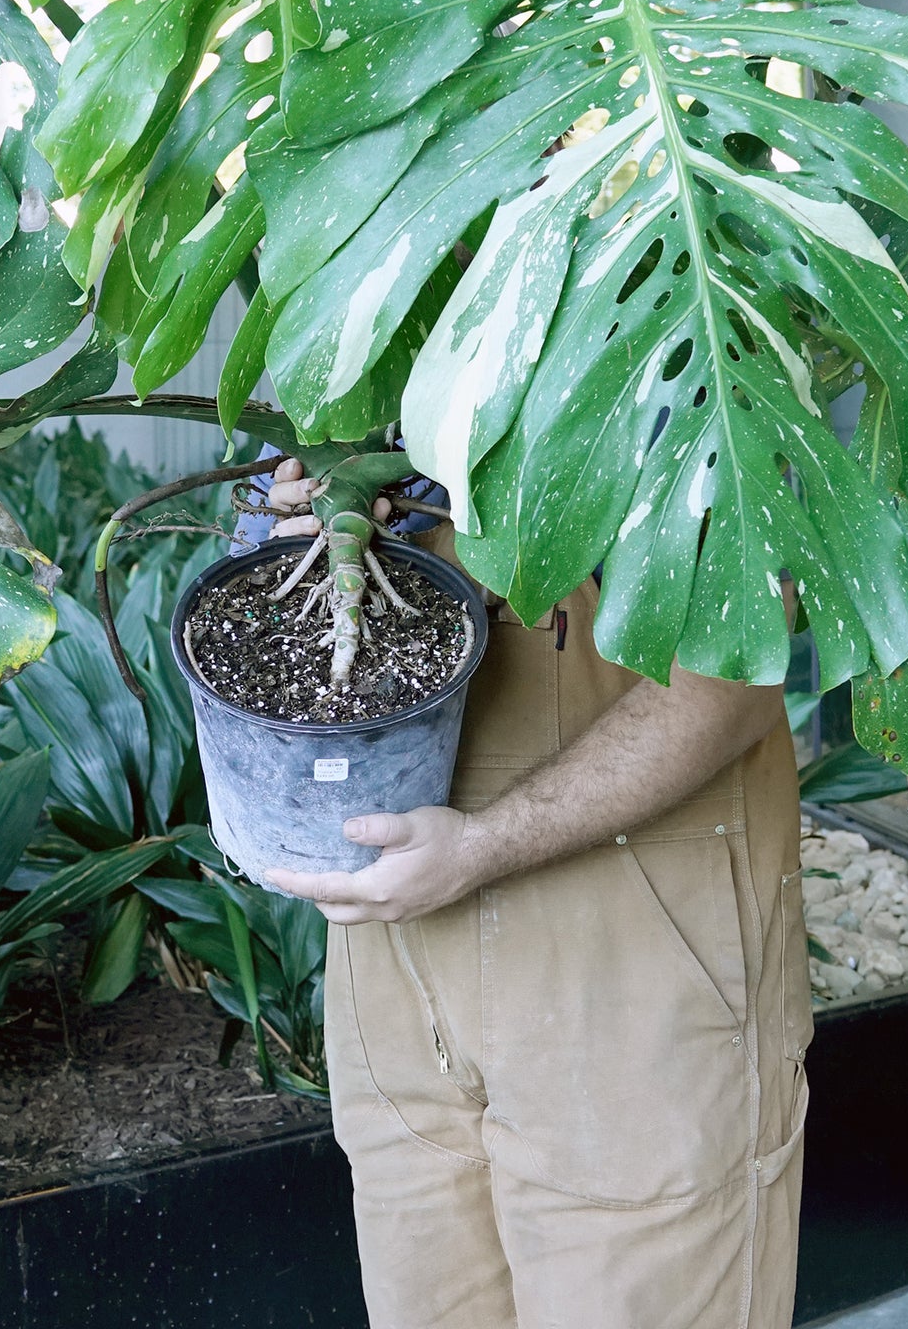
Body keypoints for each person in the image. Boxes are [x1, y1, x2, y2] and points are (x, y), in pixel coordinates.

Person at [250, 458, 809, 1329]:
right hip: (401, 975)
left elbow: (734, 670)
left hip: (629, 958)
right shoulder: (381, 363)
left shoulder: (688, 360)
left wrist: (482, 845)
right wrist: (313, 531)